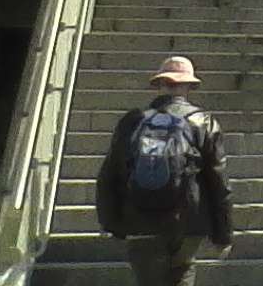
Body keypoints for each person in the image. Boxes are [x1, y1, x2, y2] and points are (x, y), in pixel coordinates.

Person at [97, 55, 234, 286]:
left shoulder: (133, 120)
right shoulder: (203, 121)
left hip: (141, 220)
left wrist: (111, 223)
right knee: (182, 274)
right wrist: (223, 235)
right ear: (189, 86)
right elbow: (218, 182)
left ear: (159, 84)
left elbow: (110, 175)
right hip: (188, 223)